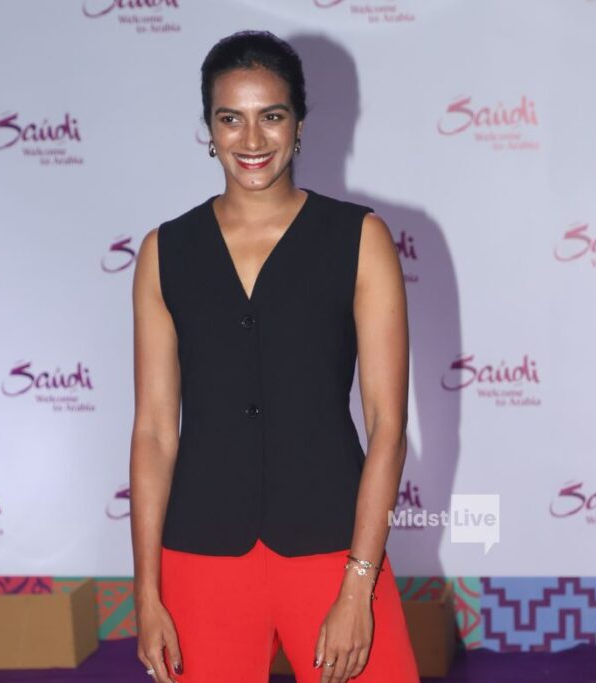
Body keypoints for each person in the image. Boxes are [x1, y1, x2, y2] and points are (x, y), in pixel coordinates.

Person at [130, 30, 418, 683]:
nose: (252, 139)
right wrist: (146, 592)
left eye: (272, 116)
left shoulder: (359, 239)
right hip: (200, 555)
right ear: (209, 129)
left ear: (300, 125)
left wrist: (359, 583)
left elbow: (388, 426)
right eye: (230, 118)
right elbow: (153, 433)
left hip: (333, 547)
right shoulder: (165, 251)